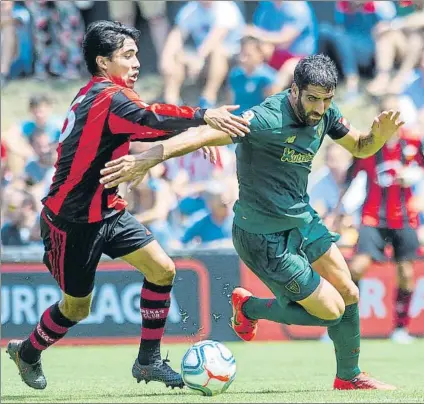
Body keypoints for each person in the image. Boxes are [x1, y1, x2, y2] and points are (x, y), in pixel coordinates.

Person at [100, 54, 404, 390]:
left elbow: (361, 147)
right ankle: (250, 307)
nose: (319, 108)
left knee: (349, 291)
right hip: (262, 234)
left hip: (302, 219)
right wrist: (145, 158)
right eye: (313, 99)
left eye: (326, 99)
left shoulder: (326, 112)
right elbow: (203, 135)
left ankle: (349, 377)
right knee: (331, 310)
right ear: (294, 90)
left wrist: (380, 137)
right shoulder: (265, 118)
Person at [6, 20, 250, 391]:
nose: (136, 63)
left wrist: (186, 134)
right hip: (71, 222)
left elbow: (136, 131)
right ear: (104, 63)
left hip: (109, 210)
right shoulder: (109, 97)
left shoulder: (98, 94)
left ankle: (147, 361)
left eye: (137, 54)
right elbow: (151, 117)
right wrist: (203, 116)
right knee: (76, 309)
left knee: (163, 270)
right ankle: (27, 352)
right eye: (128, 56)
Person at [345, 97, 423, 344]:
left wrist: (414, 174)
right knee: (356, 267)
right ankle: (339, 323)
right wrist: (343, 211)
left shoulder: (413, 144)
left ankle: (400, 328)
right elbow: (350, 178)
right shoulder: (367, 145)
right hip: (372, 216)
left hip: (404, 217)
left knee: (406, 272)